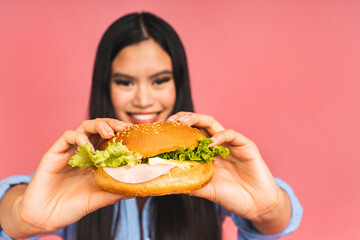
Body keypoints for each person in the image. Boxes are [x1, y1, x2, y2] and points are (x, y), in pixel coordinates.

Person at [0, 12, 302, 240]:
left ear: (178, 85)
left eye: (160, 80)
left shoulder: (213, 168)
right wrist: (25, 218)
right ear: (104, 88)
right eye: (125, 82)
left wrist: (267, 208)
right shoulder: (79, 174)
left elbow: (277, 220)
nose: (144, 99)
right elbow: (12, 203)